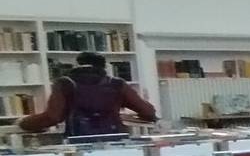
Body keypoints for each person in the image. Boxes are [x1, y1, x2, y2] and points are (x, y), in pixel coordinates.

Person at [18, 52, 157, 137]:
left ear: (77, 65)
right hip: (116, 139)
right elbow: (148, 113)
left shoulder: (65, 83)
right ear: (104, 67)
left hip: (78, 140)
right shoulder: (117, 84)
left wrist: (24, 123)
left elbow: (52, 117)